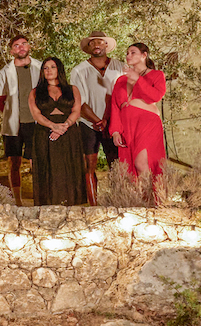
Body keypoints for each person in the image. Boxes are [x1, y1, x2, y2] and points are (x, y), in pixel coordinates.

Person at [109, 41, 169, 205]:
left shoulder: (156, 75)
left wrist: (138, 80)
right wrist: (115, 131)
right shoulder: (120, 80)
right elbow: (114, 106)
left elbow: (156, 96)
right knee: (130, 168)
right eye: (127, 53)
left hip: (147, 122)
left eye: (133, 52)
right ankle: (140, 201)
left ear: (144, 55)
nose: (128, 56)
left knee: (142, 163)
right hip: (127, 126)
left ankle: (151, 200)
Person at [69, 34, 125, 202]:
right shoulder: (79, 70)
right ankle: (93, 204)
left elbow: (123, 94)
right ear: (89, 47)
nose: (96, 44)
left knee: (117, 165)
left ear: (106, 45)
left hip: (115, 123)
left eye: (100, 41)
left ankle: (120, 200)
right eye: (92, 42)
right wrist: (97, 121)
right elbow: (79, 100)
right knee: (89, 164)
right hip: (88, 123)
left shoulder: (120, 67)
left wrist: (109, 119)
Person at [25, 58, 88, 206]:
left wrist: (64, 127)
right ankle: (48, 207)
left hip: (69, 134)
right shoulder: (35, 92)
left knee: (69, 168)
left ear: (59, 69)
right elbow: (36, 115)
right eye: (45, 68)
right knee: (47, 168)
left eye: (52, 67)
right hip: (44, 133)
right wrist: (53, 126)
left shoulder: (72, 89)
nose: (49, 70)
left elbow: (76, 111)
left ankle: (71, 205)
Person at [0, 34, 40, 204]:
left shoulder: (40, 68)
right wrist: (11, 113)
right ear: (12, 51)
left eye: (24, 44)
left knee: (37, 161)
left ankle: (39, 198)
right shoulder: (5, 72)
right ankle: (17, 201)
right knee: (14, 162)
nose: (21, 47)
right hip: (13, 125)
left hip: (35, 123)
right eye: (17, 45)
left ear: (29, 47)